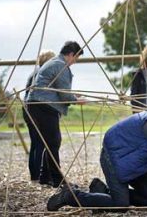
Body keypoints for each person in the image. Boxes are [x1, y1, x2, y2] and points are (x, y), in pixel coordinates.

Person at [27, 41, 86, 187]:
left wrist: (74, 96)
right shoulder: (61, 65)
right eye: (76, 58)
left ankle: (45, 177)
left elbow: (58, 89)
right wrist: (78, 100)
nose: (75, 62)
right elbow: (65, 95)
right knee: (53, 141)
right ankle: (57, 180)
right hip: (43, 105)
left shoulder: (55, 62)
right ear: (71, 54)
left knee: (50, 142)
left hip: (37, 104)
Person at [23, 50, 55, 181]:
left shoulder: (34, 73)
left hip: (27, 109)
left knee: (35, 143)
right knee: (41, 143)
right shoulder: (44, 73)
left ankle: (34, 175)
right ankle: (39, 176)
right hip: (36, 110)